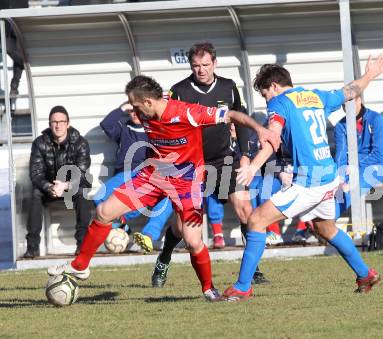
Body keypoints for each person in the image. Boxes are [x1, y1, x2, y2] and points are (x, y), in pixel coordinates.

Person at [47, 75, 279, 302]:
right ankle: (80, 266)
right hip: (153, 176)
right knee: (104, 212)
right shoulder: (145, 110)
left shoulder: (186, 112)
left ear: (148, 102)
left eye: (136, 105)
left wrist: (260, 130)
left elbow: (232, 114)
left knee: (192, 240)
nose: (133, 112)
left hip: (187, 182)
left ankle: (209, 290)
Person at [222, 54, 383, 301]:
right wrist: (370, 75)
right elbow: (350, 91)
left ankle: (243, 286)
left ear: (274, 87)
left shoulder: (280, 103)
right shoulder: (316, 96)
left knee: (256, 220)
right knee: (325, 228)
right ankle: (365, 274)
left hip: (309, 182)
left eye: (266, 94)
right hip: (327, 175)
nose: (267, 101)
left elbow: (272, 138)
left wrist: (254, 166)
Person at [144, 42, 269, 287]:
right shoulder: (179, 91)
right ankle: (164, 257)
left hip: (225, 158)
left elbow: (240, 119)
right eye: (196, 66)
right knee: (183, 227)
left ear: (215, 63)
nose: (201, 70)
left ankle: (252, 268)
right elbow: (166, 125)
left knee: (245, 210)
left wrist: (244, 154)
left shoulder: (228, 87)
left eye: (205, 65)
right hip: (191, 165)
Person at [94, 102, 173, 250]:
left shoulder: (155, 129)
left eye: (139, 110)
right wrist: (123, 107)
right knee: (100, 197)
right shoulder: (124, 128)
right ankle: (119, 224)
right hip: (124, 174)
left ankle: (148, 235)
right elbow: (106, 124)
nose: (136, 114)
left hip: (145, 175)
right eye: (132, 110)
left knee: (168, 196)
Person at [25, 106, 91, 258]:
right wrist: (49, 187)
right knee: (35, 193)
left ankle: (82, 246)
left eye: (62, 121)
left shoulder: (81, 143)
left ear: (68, 124)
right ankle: (32, 247)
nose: (58, 125)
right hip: (49, 188)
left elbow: (82, 173)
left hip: (72, 187)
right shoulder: (39, 143)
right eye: (54, 122)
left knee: (83, 192)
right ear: (49, 124)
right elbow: (36, 173)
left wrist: (65, 185)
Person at [334, 96, 383, 219]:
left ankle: (326, 222)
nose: (346, 107)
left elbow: (379, 154)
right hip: (349, 167)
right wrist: (341, 177)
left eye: (350, 103)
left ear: (359, 100)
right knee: (332, 187)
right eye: (344, 104)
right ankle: (308, 225)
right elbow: (341, 155)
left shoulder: (377, 120)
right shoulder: (340, 126)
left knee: (349, 189)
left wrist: (356, 165)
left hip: (373, 166)